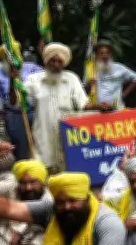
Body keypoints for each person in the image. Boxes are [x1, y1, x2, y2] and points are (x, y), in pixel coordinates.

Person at [25, 43, 99, 172]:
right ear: (46, 61)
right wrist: (11, 80)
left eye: (59, 61)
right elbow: (17, 102)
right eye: (52, 61)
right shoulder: (33, 80)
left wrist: (100, 106)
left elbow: (83, 104)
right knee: (44, 168)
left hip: (68, 133)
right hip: (43, 132)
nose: (56, 65)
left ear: (64, 63)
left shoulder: (72, 79)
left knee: (68, 166)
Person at [0, 43, 42, 158]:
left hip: (35, 112)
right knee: (22, 148)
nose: (12, 60)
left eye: (15, 55)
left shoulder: (32, 68)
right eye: (7, 57)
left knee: (40, 144)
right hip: (14, 116)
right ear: (2, 59)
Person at [87, 39, 136, 109]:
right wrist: (89, 85)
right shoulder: (91, 71)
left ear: (111, 54)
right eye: (101, 53)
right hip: (96, 111)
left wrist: (123, 94)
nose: (105, 56)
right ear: (96, 55)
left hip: (117, 109)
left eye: (107, 53)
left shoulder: (119, 68)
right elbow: (84, 91)